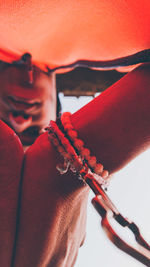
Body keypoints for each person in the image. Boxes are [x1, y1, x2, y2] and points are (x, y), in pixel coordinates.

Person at [0, 1, 150, 267]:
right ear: (54, 117)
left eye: (8, 127)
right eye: (35, 133)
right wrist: (73, 157)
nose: (20, 120)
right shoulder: (121, 45)